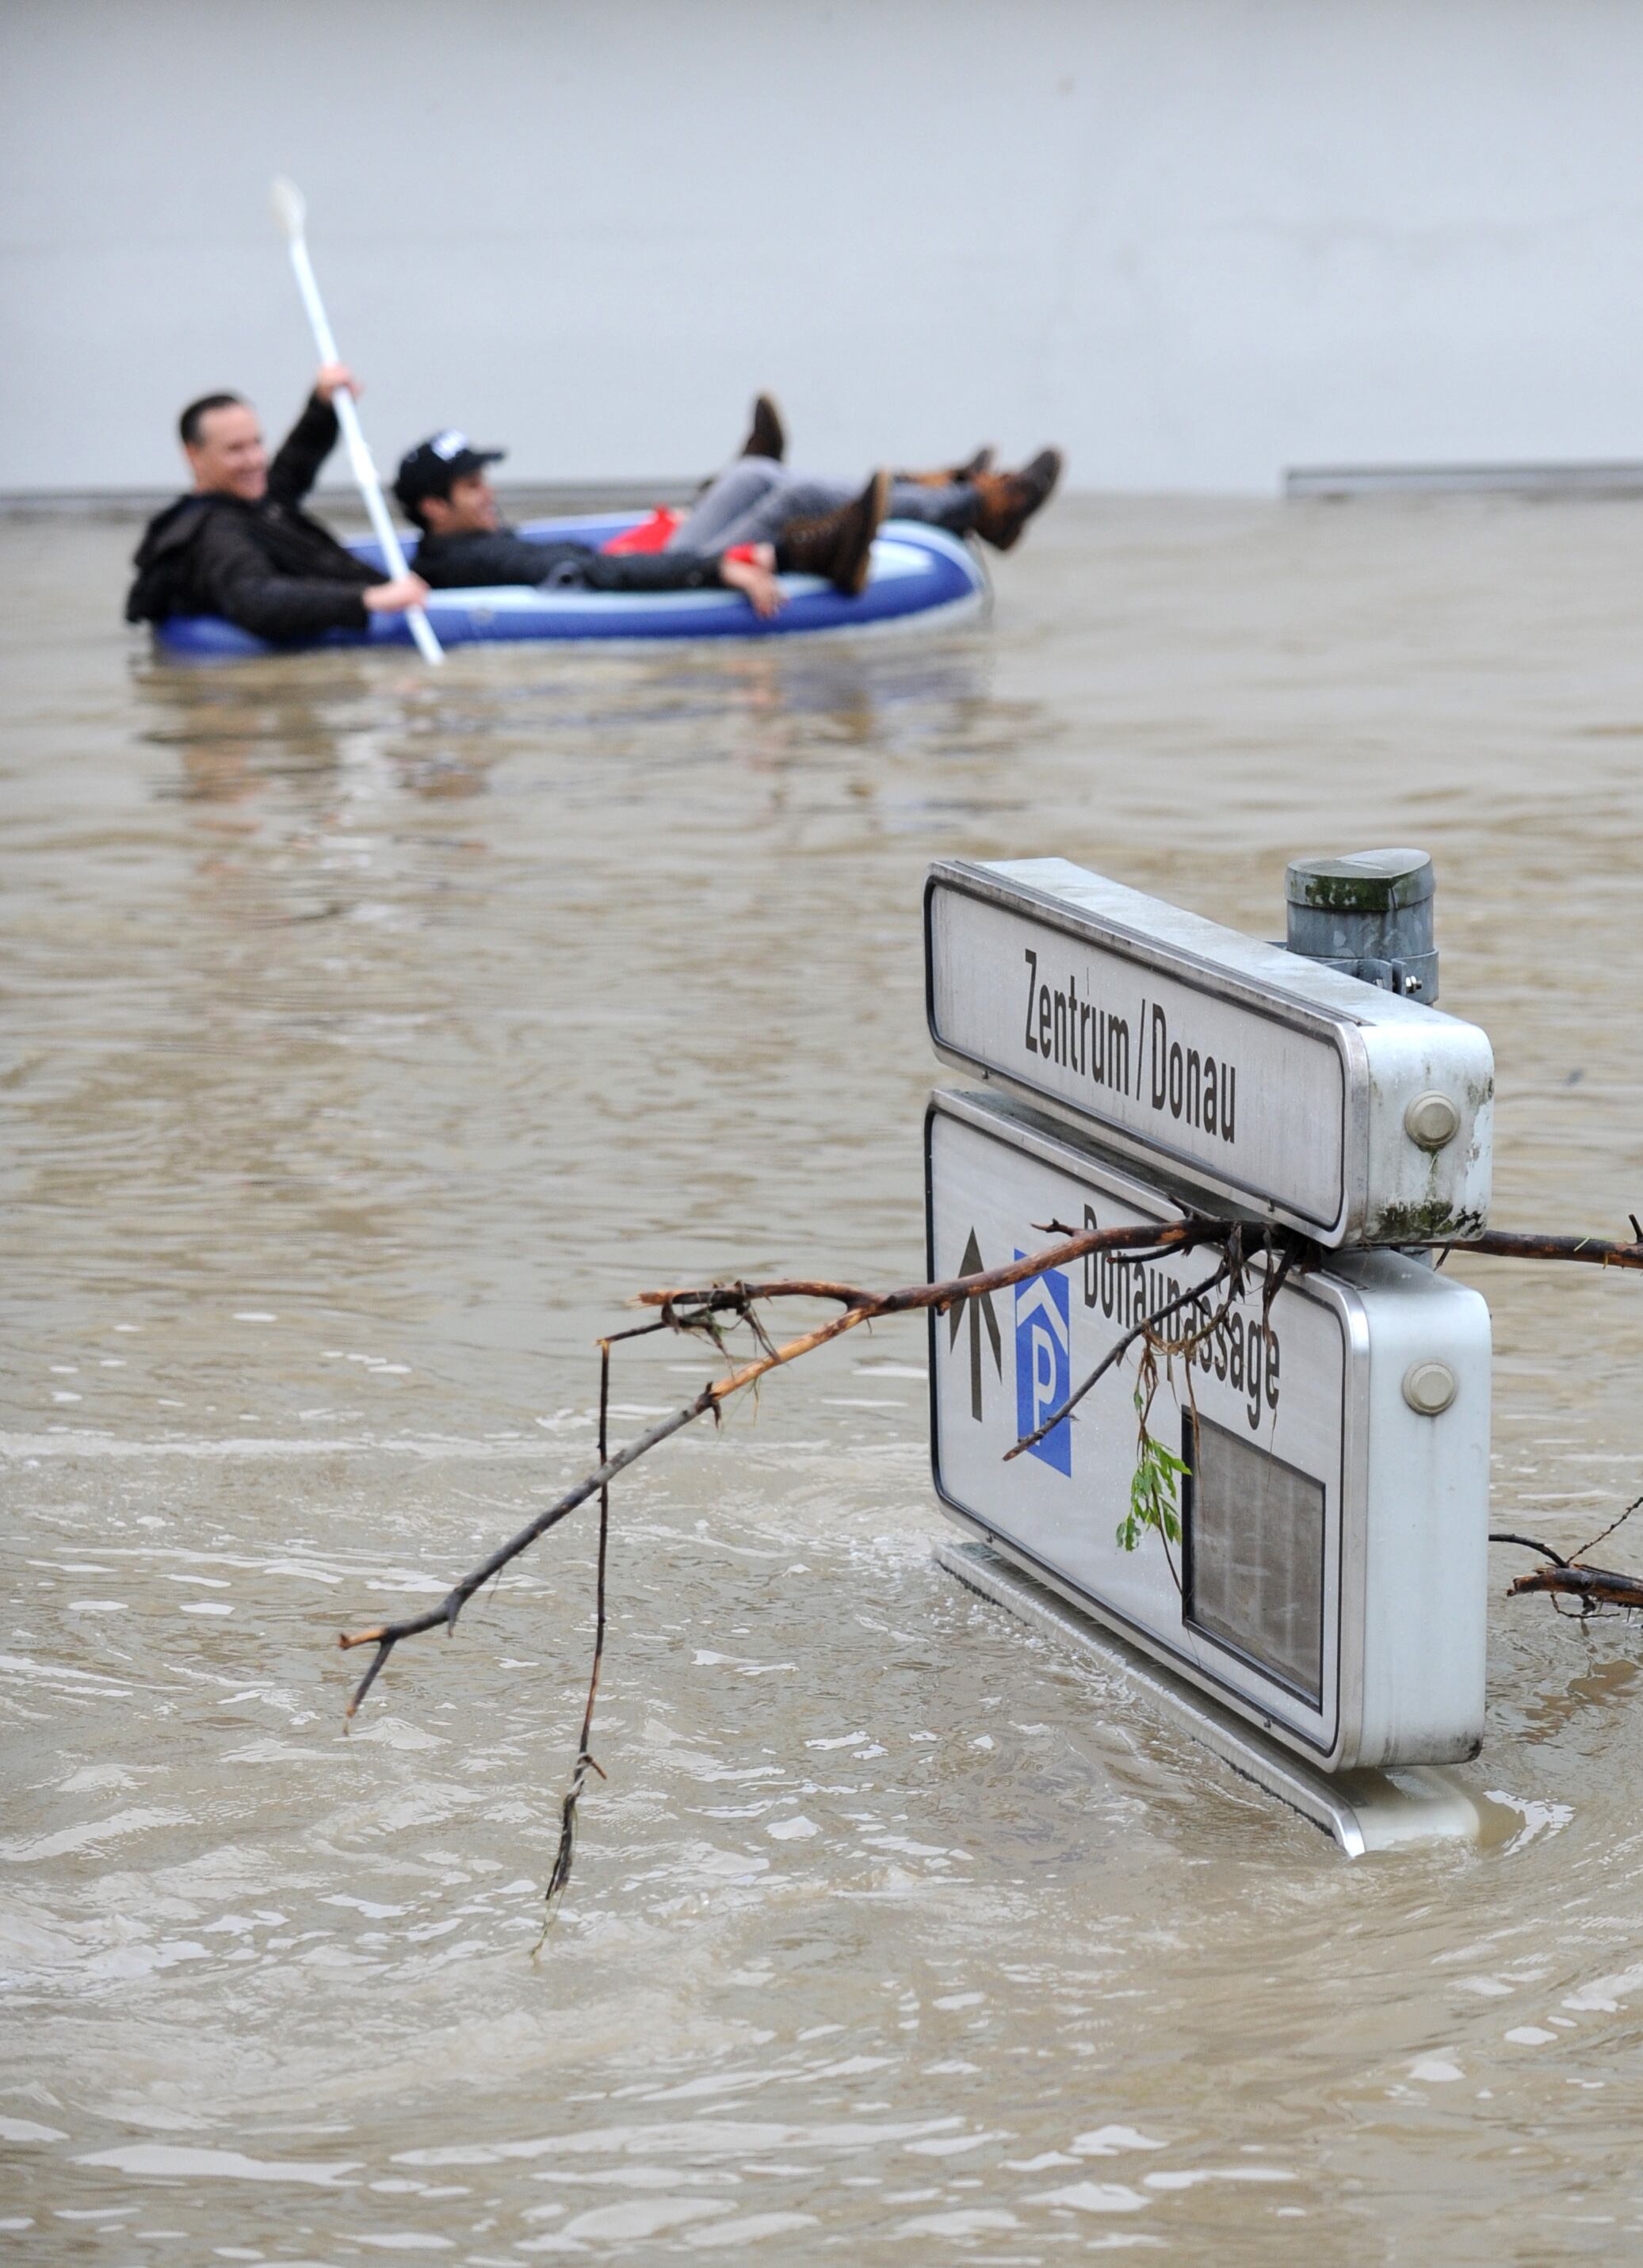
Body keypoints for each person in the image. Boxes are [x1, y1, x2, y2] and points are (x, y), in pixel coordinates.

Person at [395, 430, 888, 613]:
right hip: (656, 573)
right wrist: (718, 567)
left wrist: (652, 536)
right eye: (472, 487)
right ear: (435, 507)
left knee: (753, 474)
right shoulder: (468, 562)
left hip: (638, 560)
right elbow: (596, 575)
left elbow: (592, 560)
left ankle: (920, 493)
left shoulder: (477, 540)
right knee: (789, 496)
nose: (490, 493)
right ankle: (947, 501)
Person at [126, 365, 430, 641]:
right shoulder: (215, 533)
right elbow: (257, 598)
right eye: (236, 450)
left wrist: (323, 405)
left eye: (257, 443)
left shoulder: (249, 499)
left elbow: (296, 463)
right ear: (194, 455)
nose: (255, 460)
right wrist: (367, 598)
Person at [668, 396, 1062, 559]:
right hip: (673, 578)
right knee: (799, 498)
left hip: (661, 565)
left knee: (755, 474)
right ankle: (974, 504)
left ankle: (950, 489)